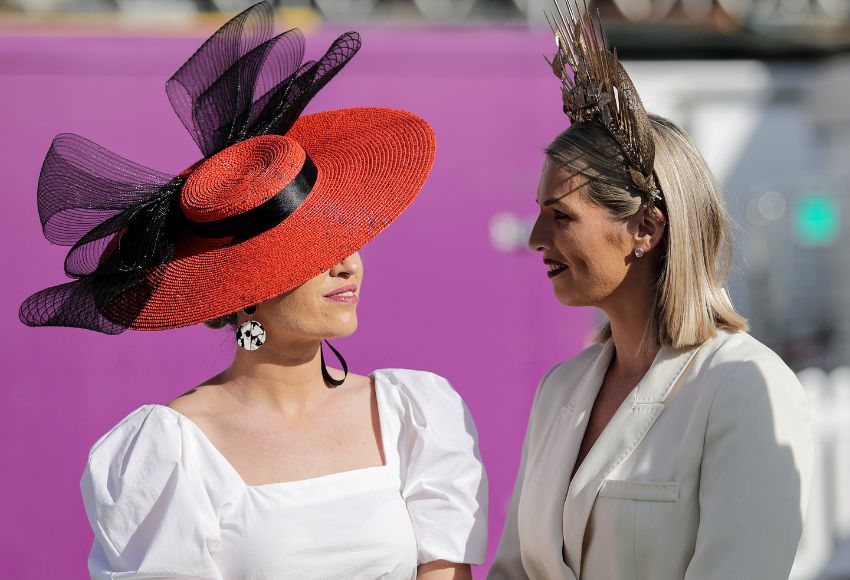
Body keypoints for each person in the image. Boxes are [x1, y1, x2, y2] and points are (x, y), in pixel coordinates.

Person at [20, 3, 487, 578]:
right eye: (310, 253)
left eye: (345, 238)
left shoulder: (414, 415)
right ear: (243, 293)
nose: (346, 264)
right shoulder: (172, 450)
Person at [489, 3, 813, 579]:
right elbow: (516, 568)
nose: (536, 238)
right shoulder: (561, 389)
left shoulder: (742, 384)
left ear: (645, 228)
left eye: (560, 216)